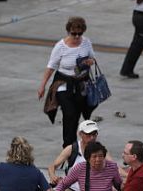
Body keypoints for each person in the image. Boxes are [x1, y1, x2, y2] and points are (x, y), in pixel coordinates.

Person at [38, 16, 99, 151]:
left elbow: (92, 58)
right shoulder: (60, 47)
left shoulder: (86, 43)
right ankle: (68, 145)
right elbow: (51, 66)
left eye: (80, 34)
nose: (77, 37)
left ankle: (74, 144)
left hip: (81, 84)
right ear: (68, 31)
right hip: (64, 84)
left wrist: (89, 62)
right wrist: (42, 85)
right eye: (74, 34)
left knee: (77, 114)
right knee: (69, 113)